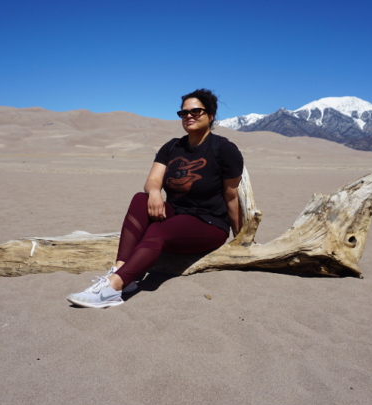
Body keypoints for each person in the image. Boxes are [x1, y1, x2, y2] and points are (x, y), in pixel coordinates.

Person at [67, 89, 244, 308]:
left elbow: (231, 196)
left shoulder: (224, 149)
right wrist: (154, 192)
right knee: (140, 199)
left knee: (157, 231)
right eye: (184, 113)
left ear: (211, 115)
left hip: (209, 223)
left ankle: (112, 288)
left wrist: (242, 238)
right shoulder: (172, 147)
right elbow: (152, 180)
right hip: (176, 215)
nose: (189, 116)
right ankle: (121, 274)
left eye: (196, 111)